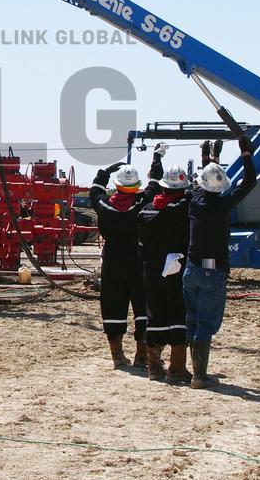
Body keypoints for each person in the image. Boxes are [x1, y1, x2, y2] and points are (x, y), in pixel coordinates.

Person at [184, 137, 257, 388]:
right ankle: (200, 376)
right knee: (205, 323)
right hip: (212, 272)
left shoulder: (194, 203)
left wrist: (208, 158)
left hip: (191, 270)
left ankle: (191, 371)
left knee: (191, 320)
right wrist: (246, 154)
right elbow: (249, 183)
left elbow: (205, 183)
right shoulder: (224, 204)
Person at [90, 144, 167, 368]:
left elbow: (95, 190)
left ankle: (117, 355)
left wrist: (106, 171)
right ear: (136, 187)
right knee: (142, 306)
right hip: (137, 260)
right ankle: (141, 355)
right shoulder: (142, 204)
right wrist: (156, 157)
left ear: (117, 186)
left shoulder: (104, 206)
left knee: (113, 305)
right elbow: (155, 183)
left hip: (112, 261)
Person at [137, 163, 192, 383]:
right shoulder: (183, 207)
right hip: (175, 269)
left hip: (151, 270)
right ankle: (176, 368)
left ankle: (154, 367)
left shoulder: (147, 209)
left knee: (155, 315)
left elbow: (141, 242)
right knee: (178, 315)